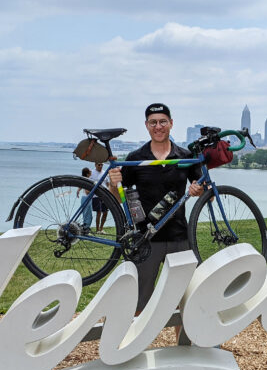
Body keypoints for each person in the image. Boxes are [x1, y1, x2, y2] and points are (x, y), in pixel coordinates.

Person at [108, 103, 204, 313]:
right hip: (145, 239)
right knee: (138, 302)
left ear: (171, 123)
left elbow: (206, 194)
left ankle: (184, 346)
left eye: (162, 121)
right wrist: (113, 184)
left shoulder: (185, 156)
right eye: (153, 122)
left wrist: (199, 190)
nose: (158, 126)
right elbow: (119, 198)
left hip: (179, 237)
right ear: (146, 125)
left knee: (186, 302)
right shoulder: (135, 157)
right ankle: (133, 345)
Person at [89, 160, 109, 233]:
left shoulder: (104, 173)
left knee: (105, 212)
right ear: (95, 165)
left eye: (101, 165)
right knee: (99, 212)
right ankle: (97, 229)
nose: (100, 166)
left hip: (105, 195)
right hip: (95, 195)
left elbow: (107, 183)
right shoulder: (91, 173)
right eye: (99, 165)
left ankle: (101, 228)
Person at [78, 167, 93, 233]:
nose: (91, 172)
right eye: (90, 171)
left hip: (85, 198)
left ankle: (86, 228)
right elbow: (87, 191)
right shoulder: (87, 180)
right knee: (87, 215)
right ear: (87, 174)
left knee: (87, 214)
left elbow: (81, 186)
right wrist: (95, 190)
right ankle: (85, 229)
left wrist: (78, 190)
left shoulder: (85, 179)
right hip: (86, 198)